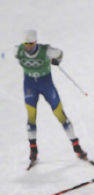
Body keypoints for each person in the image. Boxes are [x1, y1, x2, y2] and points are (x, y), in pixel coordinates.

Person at [15, 29, 88, 166]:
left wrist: (56, 60)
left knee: (59, 113)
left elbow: (59, 54)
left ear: (36, 42)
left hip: (46, 85)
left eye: (31, 44)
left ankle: (76, 147)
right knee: (31, 116)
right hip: (30, 86)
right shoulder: (18, 50)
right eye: (26, 44)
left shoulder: (46, 51)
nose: (28, 47)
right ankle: (33, 151)